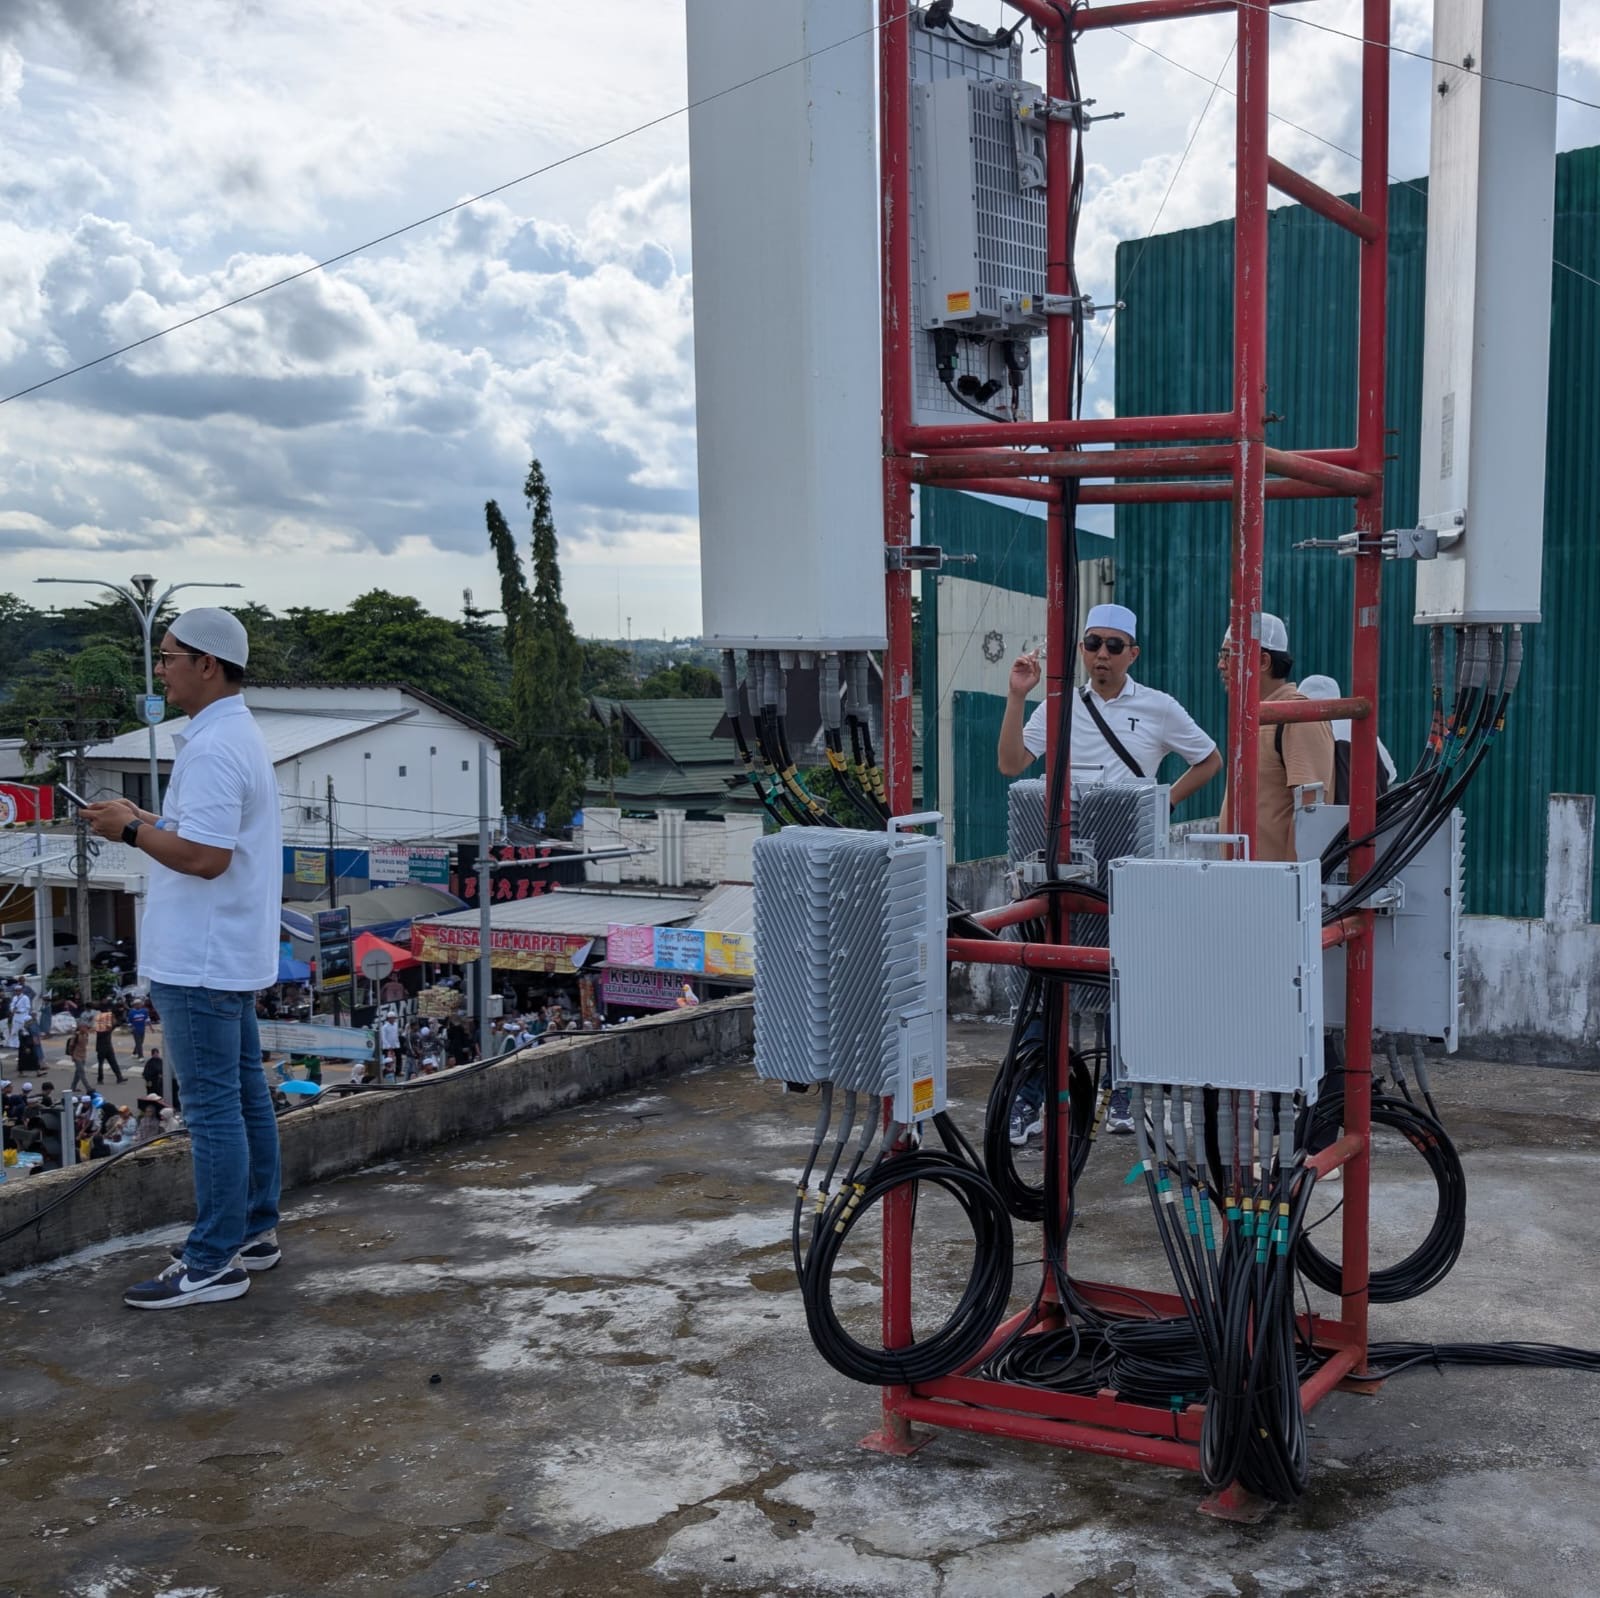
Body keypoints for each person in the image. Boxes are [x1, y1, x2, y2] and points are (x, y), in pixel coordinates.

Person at [82, 606, 283, 1311]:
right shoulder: (234, 734)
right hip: (222, 950)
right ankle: (253, 1232)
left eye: (169, 656)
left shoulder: (214, 748)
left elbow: (204, 857)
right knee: (244, 1097)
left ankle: (210, 1262)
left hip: (199, 957)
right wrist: (138, 820)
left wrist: (132, 833)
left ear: (207, 664)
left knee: (215, 1108)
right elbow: (197, 836)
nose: (159, 667)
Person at [999, 603, 1223, 806]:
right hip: (1071, 836)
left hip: (1132, 840)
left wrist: (1165, 804)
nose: (1102, 654)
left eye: (1114, 646)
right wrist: (1017, 694)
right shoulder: (1059, 705)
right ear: (1082, 649)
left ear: (1133, 654)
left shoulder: (1159, 706)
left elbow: (1210, 760)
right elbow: (1011, 765)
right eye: (1093, 643)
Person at [1217, 614, 1336, 862]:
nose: (1221, 665)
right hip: (1242, 881)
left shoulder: (1299, 718)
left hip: (1274, 888)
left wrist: (1290, 889)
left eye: (1229, 656)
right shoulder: (1253, 719)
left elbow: (1310, 814)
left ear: (1262, 661)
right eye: (1221, 656)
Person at [1296, 674, 1396, 803]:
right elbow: (1390, 775)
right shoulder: (1357, 724)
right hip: (1370, 811)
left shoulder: (1298, 727)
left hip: (1320, 808)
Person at [93, 1002, 127, 1085]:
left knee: (112, 1062)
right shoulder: (102, 1028)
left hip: (107, 1047)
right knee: (102, 1064)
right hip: (102, 1047)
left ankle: (119, 1078)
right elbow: (112, 1027)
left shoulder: (103, 1027)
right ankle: (100, 1079)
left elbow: (114, 1025)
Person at [65, 1018, 93, 1097]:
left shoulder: (86, 1034)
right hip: (77, 1056)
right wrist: (72, 1055)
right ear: (80, 1027)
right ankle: (88, 1088)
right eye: (84, 1027)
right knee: (82, 1073)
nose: (85, 1029)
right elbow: (71, 1046)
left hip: (83, 1056)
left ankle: (73, 1087)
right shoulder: (76, 1035)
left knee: (78, 1073)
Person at [126, 995, 151, 1059]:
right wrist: (131, 1028)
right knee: (139, 1043)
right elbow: (129, 1022)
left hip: (142, 1029)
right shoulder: (131, 1012)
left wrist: (151, 1028)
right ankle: (141, 1056)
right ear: (134, 1005)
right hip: (135, 1030)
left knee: (140, 1042)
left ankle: (134, 1053)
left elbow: (147, 1019)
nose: (138, 1005)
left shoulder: (144, 1011)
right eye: (137, 1004)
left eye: (139, 1004)